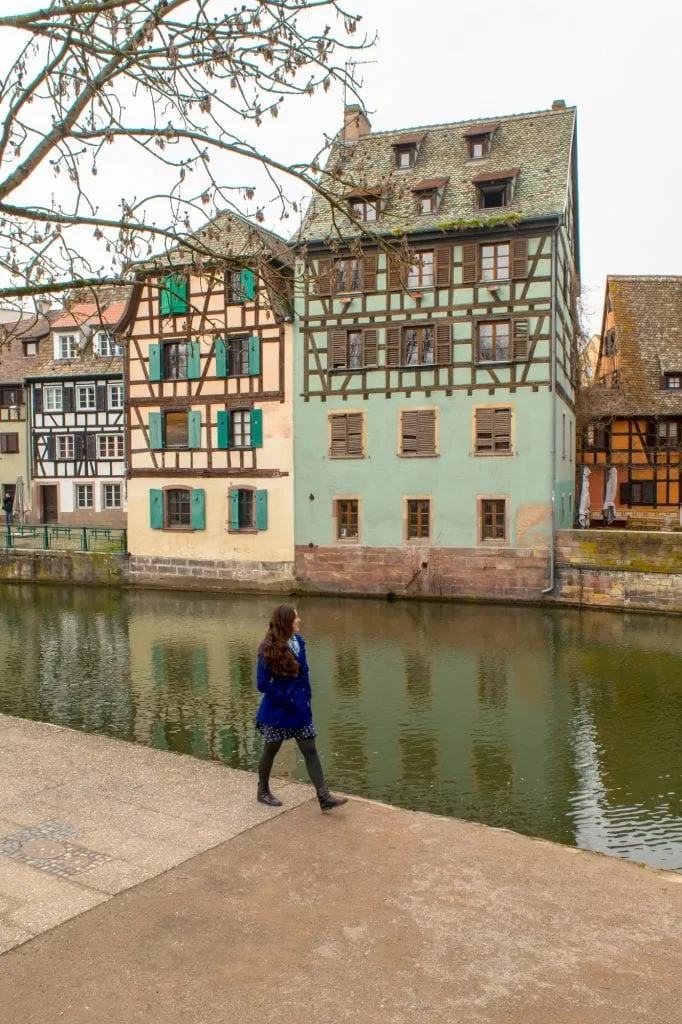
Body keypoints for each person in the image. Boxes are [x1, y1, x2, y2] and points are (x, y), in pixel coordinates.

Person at [255, 604, 347, 812]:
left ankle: (324, 797)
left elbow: (303, 675)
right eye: (296, 617)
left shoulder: (298, 642)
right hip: (278, 710)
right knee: (271, 749)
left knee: (310, 749)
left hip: (299, 709)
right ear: (286, 621)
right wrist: (285, 698)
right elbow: (262, 684)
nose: (300, 620)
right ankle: (262, 791)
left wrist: (306, 699)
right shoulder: (268, 648)